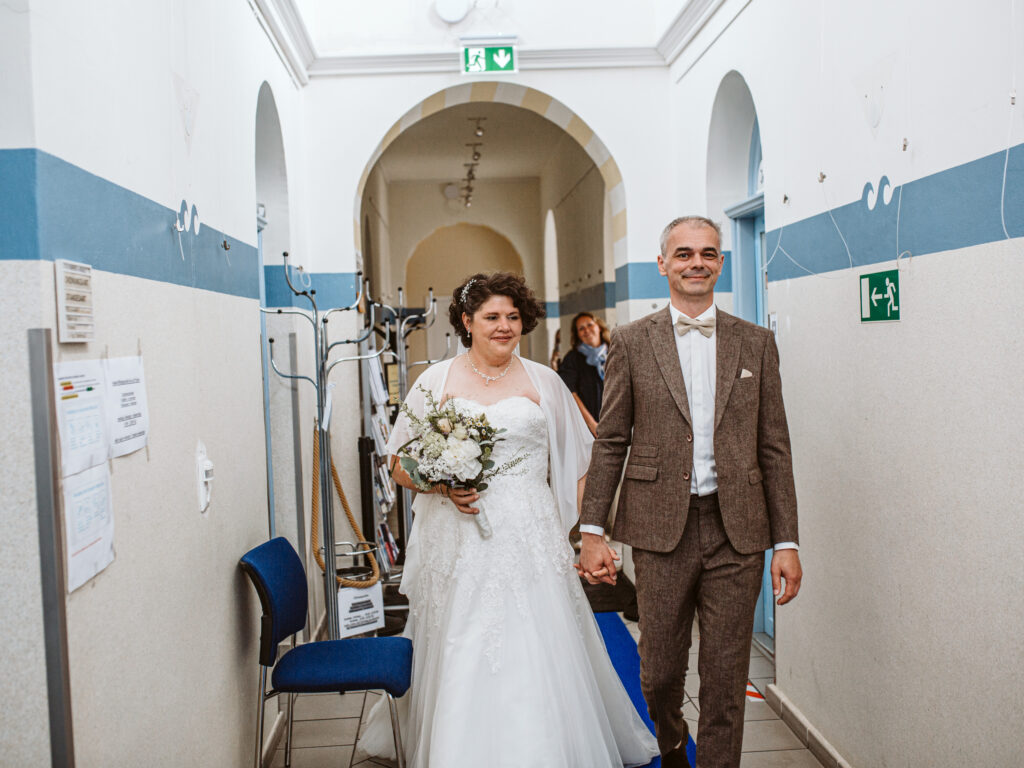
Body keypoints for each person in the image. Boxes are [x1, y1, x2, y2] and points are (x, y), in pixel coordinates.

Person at [357, 272, 658, 768]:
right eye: (492, 317)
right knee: (461, 636)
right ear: (467, 322)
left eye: (512, 317)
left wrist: (591, 535)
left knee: (540, 636)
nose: (504, 326)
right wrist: (441, 483)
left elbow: (583, 467)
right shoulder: (435, 382)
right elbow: (397, 463)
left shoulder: (544, 380)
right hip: (460, 538)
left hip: (530, 531)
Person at [579, 217, 803, 768]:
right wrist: (591, 529)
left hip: (738, 531)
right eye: (683, 254)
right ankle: (673, 741)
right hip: (659, 529)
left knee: (726, 677)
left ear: (721, 263)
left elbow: (774, 447)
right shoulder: (631, 341)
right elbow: (611, 440)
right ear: (663, 264)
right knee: (657, 671)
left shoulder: (758, 343)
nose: (696, 262)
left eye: (707, 253)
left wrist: (788, 541)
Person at [559, 312, 611, 436]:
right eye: (581, 328)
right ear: (577, 335)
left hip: (616, 423)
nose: (586, 330)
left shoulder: (615, 351)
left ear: (599, 327)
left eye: (590, 325)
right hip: (586, 427)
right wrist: (592, 424)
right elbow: (570, 393)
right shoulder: (572, 359)